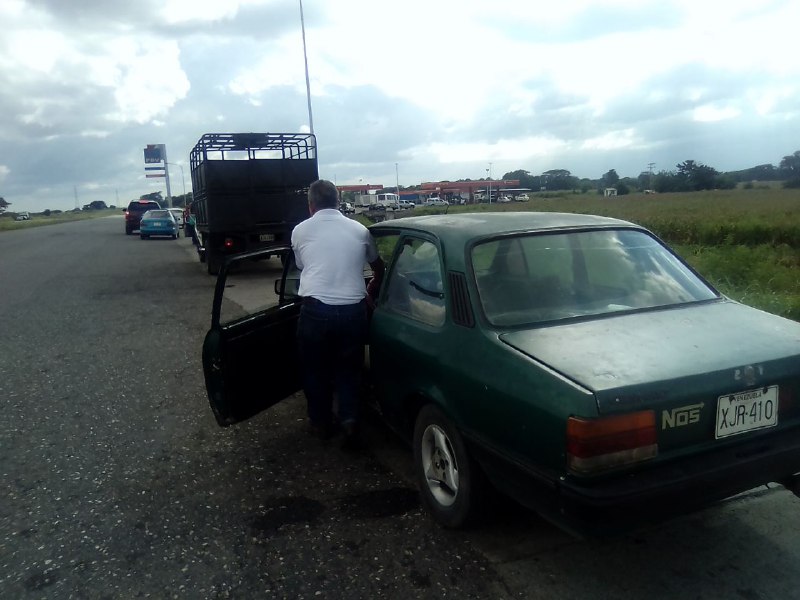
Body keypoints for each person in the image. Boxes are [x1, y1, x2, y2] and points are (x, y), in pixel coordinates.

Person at [291, 179, 385, 450]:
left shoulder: (300, 231)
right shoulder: (359, 229)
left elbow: (303, 264)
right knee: (349, 370)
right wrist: (374, 284)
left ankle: (321, 424)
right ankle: (350, 421)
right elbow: (378, 266)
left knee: (315, 370)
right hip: (353, 312)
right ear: (337, 201)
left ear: (311, 206)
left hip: (315, 311)